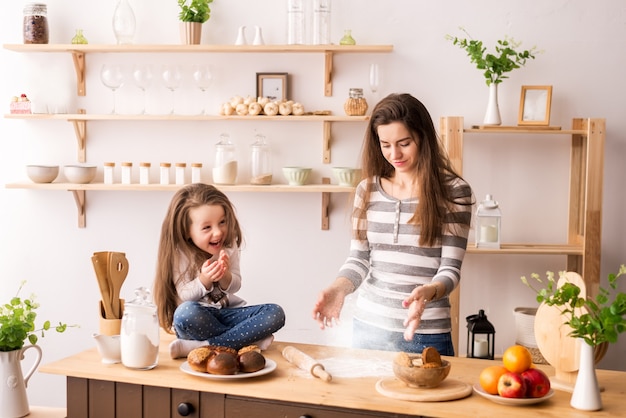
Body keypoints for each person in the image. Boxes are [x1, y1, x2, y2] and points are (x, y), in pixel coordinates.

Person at [312, 93, 474, 356]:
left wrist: (429, 291)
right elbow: (359, 259)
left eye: (404, 143)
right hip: (369, 328)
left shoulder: (454, 191)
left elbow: (450, 269)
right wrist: (338, 288)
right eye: (385, 144)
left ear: (423, 137)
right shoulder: (368, 190)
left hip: (426, 333)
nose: (394, 154)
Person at [154, 183, 286, 359]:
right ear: (187, 231)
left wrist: (225, 276)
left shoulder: (228, 248)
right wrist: (204, 280)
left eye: (222, 222)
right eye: (207, 227)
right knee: (185, 313)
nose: (218, 232)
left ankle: (206, 346)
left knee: (275, 313)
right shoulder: (180, 254)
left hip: (226, 314)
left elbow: (235, 286)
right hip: (197, 319)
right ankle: (244, 341)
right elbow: (184, 296)